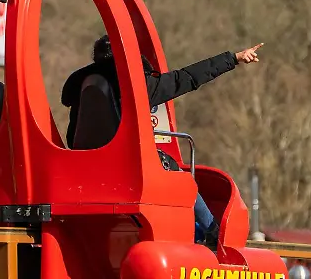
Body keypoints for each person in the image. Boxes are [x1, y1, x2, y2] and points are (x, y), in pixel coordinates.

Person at [61, 34, 263, 251]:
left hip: (85, 168)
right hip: (125, 168)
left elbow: (73, 136)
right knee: (178, 176)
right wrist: (233, 58)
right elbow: (187, 77)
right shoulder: (135, 84)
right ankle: (212, 230)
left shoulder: (85, 85)